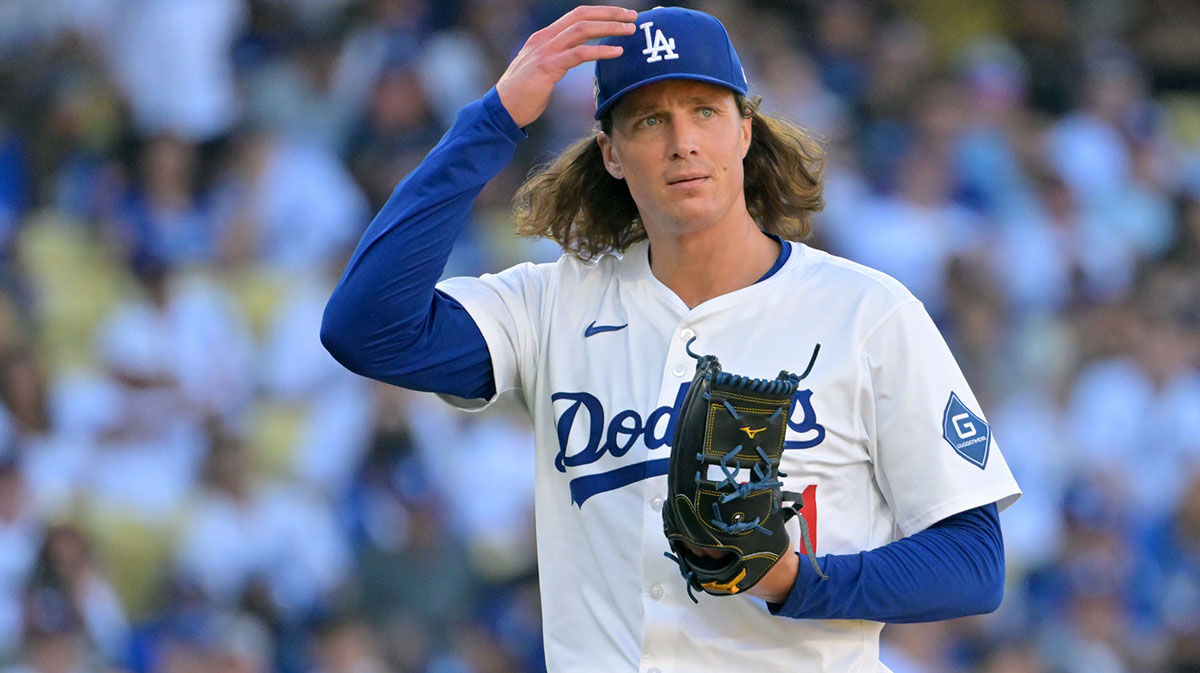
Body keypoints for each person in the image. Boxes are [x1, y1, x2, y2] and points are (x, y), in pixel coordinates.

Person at [322, 6, 1022, 672]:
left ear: (745, 130)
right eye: (651, 119)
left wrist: (797, 579)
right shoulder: (550, 305)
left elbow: (972, 564)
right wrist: (497, 117)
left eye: (705, 111)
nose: (683, 141)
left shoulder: (865, 312)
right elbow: (365, 328)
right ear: (611, 152)